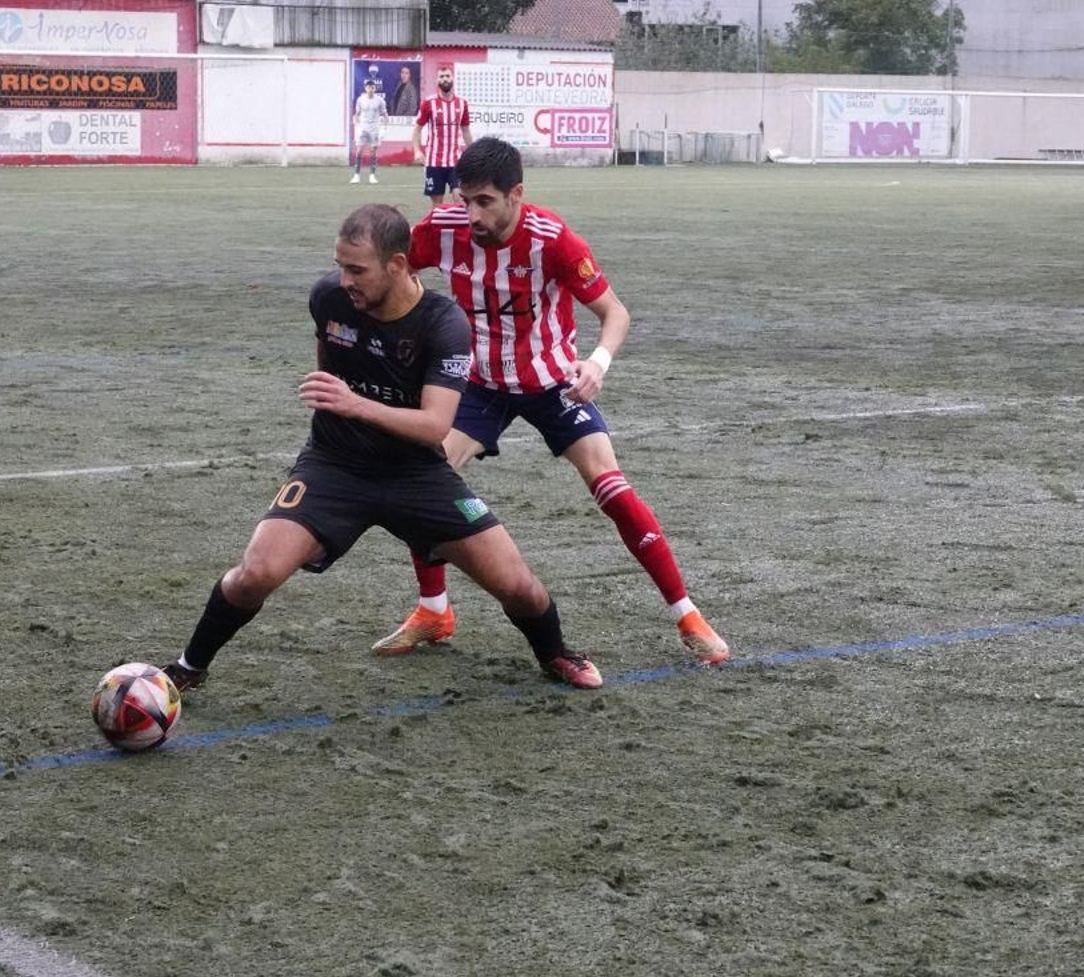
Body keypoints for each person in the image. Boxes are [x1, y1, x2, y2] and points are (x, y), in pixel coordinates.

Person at [159, 204, 603, 696]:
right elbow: (330, 368)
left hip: (417, 474)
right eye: (340, 265)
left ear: (397, 265)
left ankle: (556, 653)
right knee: (254, 573)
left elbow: (435, 427)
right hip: (334, 465)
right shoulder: (329, 297)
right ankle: (187, 666)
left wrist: (355, 404)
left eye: (357, 269)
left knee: (518, 585)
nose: (343, 279)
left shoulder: (443, 325)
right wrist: (340, 406)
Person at [371, 138, 731, 667]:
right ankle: (434, 611)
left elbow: (615, 314)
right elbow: (397, 269)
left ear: (517, 194)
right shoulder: (446, 230)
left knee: (610, 486)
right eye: (464, 199)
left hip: (552, 383)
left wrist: (597, 363)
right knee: (423, 480)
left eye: (485, 202)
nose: (471, 214)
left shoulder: (552, 238)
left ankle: (688, 615)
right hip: (482, 383)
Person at [412, 67, 472, 206]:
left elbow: (466, 131)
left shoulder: (462, 103)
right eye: (441, 77)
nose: (445, 79)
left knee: (460, 200)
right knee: (437, 206)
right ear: (437, 80)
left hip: (456, 162)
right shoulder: (429, 103)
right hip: (434, 162)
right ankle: (438, 227)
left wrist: (472, 153)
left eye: (447, 76)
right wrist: (417, 150)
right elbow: (417, 130)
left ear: (452, 78)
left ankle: (459, 227)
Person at [351, 79, 388, 184]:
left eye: (372, 87)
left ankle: (372, 175)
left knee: (373, 151)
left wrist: (384, 128)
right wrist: (356, 126)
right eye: (368, 87)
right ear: (365, 88)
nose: (370, 89)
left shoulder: (380, 101)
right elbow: (356, 114)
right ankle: (356, 175)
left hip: (374, 128)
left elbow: (385, 115)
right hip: (363, 127)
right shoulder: (360, 100)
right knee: (359, 150)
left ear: (374, 88)